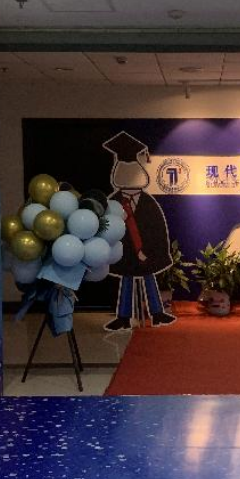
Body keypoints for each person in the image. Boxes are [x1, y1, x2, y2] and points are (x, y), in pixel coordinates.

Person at [102, 131, 176, 330]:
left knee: (148, 279)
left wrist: (149, 251)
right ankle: (123, 317)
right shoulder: (114, 202)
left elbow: (157, 230)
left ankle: (157, 313)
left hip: (145, 253)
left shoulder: (148, 203)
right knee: (126, 281)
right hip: (124, 253)